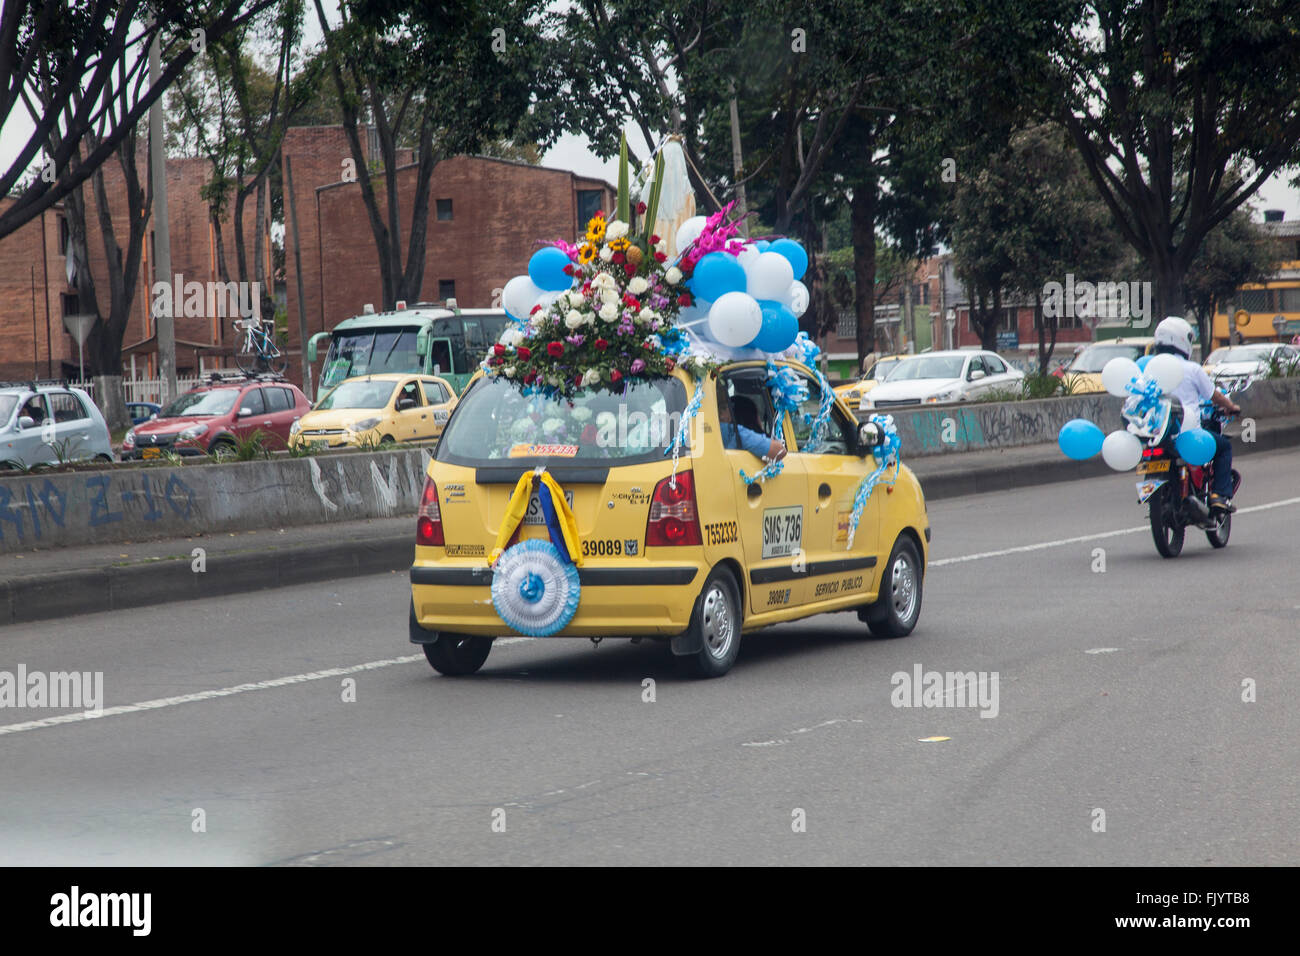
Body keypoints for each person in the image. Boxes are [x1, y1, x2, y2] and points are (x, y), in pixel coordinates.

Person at [1152, 316, 1241, 513]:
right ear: (1181, 340)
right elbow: (1214, 396)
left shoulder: (1149, 368)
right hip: (1188, 431)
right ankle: (1219, 495)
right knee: (1224, 447)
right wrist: (1231, 405)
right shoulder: (1191, 368)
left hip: (1157, 433)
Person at [718, 388, 786, 462]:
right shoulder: (738, 434)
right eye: (724, 408)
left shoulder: (709, 432)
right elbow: (780, 451)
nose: (721, 415)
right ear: (754, 418)